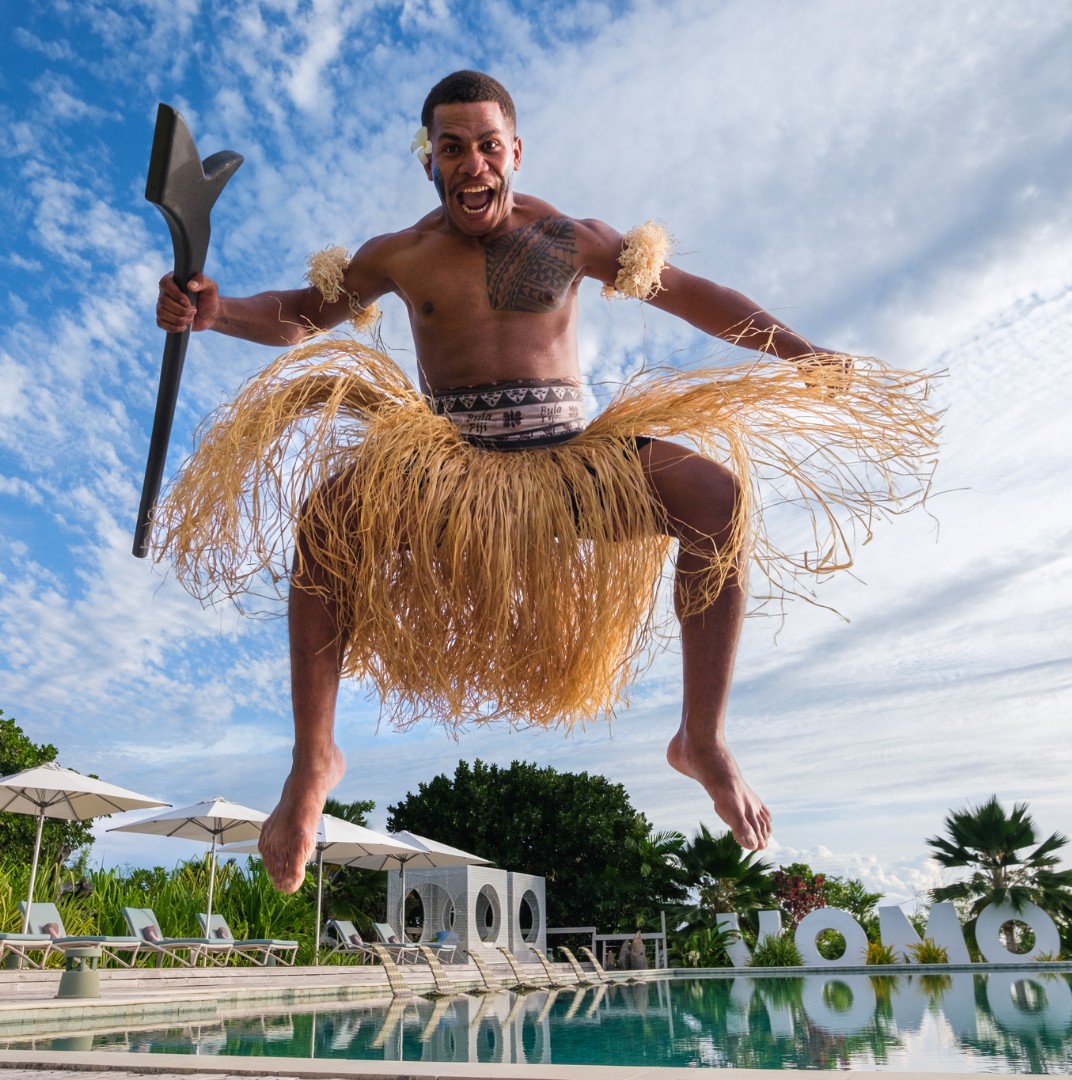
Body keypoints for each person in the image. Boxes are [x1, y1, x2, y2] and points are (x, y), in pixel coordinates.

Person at [155, 71, 936, 893]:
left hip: (572, 469)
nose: (472, 163)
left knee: (717, 500)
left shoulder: (569, 239)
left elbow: (699, 299)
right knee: (326, 519)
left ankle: (701, 739)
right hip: (450, 477)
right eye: (452, 148)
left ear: (514, 152)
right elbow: (300, 312)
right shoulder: (401, 254)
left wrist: (800, 353)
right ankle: (314, 759)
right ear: (430, 161)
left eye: (488, 145)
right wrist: (215, 312)